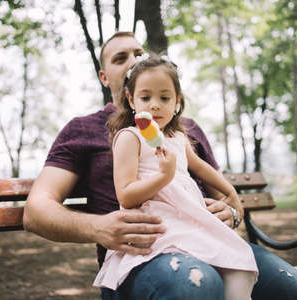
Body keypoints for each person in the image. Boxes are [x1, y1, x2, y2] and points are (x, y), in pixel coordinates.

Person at [23, 31, 297, 300]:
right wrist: (100, 227)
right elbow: (36, 211)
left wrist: (232, 211)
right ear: (105, 77)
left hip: (214, 243)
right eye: (120, 58)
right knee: (197, 283)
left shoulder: (184, 130)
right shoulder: (84, 130)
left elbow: (227, 199)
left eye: (139, 52)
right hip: (144, 257)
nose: (133, 60)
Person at [93, 54, 257, 299]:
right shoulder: (130, 137)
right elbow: (126, 196)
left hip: (191, 219)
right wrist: (164, 176)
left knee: (241, 265)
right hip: (160, 224)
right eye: (146, 97)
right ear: (131, 100)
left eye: (164, 97)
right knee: (196, 274)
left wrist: (231, 192)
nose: (155, 105)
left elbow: (202, 168)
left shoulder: (178, 138)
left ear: (177, 101)